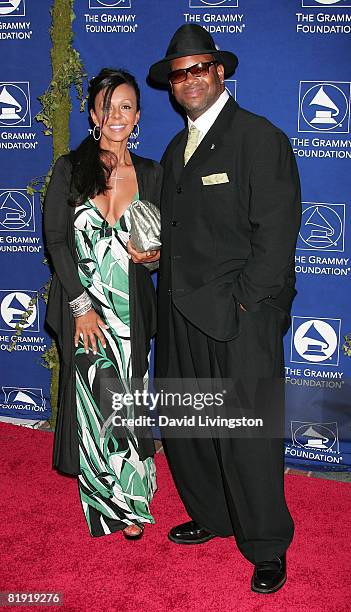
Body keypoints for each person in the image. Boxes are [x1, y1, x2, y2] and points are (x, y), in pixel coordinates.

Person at [148, 25, 301, 593]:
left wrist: (246, 303)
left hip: (239, 315)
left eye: (198, 68)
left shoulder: (259, 138)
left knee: (248, 434)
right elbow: (185, 230)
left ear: (219, 72)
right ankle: (213, 515)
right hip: (181, 311)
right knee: (190, 425)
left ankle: (266, 544)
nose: (188, 80)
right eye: (178, 73)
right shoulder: (174, 148)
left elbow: (277, 235)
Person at [44, 68, 161, 540]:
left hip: (130, 311)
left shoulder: (152, 173)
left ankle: (134, 499)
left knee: (126, 407)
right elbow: (55, 240)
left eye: (126, 107)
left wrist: (153, 259)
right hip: (84, 309)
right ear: (92, 114)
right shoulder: (71, 169)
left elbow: (160, 249)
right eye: (107, 106)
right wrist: (79, 307)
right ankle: (104, 505)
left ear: (138, 116)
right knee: (95, 410)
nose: (117, 115)